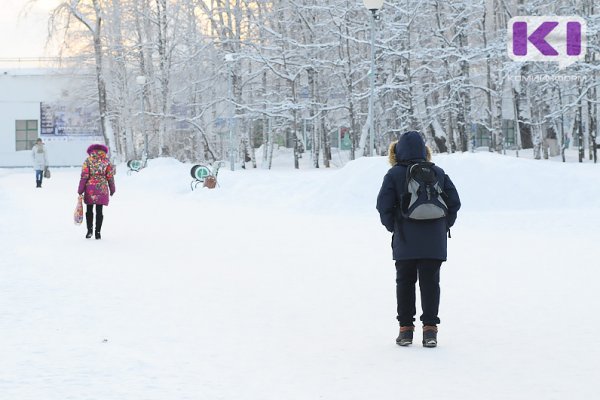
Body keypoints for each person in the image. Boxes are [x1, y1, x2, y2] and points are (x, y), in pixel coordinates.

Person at [376, 131, 461, 348]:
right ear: (425, 151)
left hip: (405, 239)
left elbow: (383, 205)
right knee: (430, 283)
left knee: (405, 283)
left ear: (396, 152)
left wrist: (393, 226)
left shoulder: (394, 174)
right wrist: (443, 226)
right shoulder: (438, 172)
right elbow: (454, 202)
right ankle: (430, 331)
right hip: (434, 242)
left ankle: (405, 331)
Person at [77, 144, 116, 239]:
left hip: (90, 188)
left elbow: (84, 176)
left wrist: (80, 190)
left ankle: (89, 230)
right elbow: (110, 176)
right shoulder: (106, 161)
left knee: (89, 210)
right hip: (102, 188)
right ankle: (97, 232)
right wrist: (112, 188)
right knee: (99, 210)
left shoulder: (88, 160)